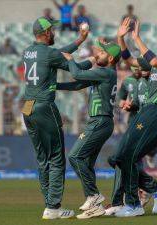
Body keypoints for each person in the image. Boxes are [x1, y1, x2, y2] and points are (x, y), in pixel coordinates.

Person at [113, 18, 157, 217]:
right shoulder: (155, 63)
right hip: (145, 112)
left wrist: (136, 37)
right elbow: (128, 60)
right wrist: (121, 38)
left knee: (126, 157)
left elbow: (153, 61)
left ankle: (134, 205)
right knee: (118, 157)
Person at [21, 16, 90, 219]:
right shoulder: (49, 54)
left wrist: (80, 40)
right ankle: (53, 207)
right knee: (57, 158)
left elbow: (58, 54)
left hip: (27, 106)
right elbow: (74, 68)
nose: (54, 33)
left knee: (43, 159)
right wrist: (92, 61)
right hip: (44, 106)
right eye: (52, 30)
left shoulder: (28, 51)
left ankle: (49, 205)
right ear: (45, 33)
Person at [56, 39, 120, 219]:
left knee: (75, 156)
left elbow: (76, 75)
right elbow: (77, 85)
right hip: (102, 122)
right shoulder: (106, 73)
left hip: (99, 121)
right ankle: (96, 206)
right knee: (87, 163)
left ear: (110, 58)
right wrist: (55, 86)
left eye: (101, 53)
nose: (97, 55)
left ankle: (94, 195)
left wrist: (70, 59)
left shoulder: (106, 72)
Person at [105, 66, 153, 216]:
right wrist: (122, 103)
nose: (137, 69)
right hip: (133, 122)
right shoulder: (129, 81)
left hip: (146, 123)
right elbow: (120, 97)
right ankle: (143, 190)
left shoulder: (153, 81)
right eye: (134, 66)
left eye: (141, 66)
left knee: (125, 158)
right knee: (130, 160)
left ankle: (122, 200)